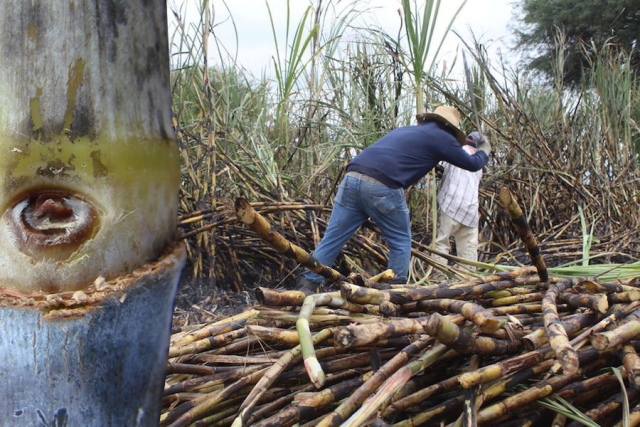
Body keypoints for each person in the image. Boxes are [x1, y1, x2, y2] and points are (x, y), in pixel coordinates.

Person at [295, 105, 491, 294]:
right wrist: (484, 150)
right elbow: (472, 164)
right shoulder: (442, 137)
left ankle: (307, 286)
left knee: (333, 238)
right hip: (382, 185)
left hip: (352, 178)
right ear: (450, 128)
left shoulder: (406, 131)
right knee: (400, 241)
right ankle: (395, 290)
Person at [432, 131, 486, 272]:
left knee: (442, 243)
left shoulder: (457, 152)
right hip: (470, 209)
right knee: (468, 247)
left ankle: (438, 278)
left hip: (451, 204)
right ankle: (467, 279)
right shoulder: (479, 162)